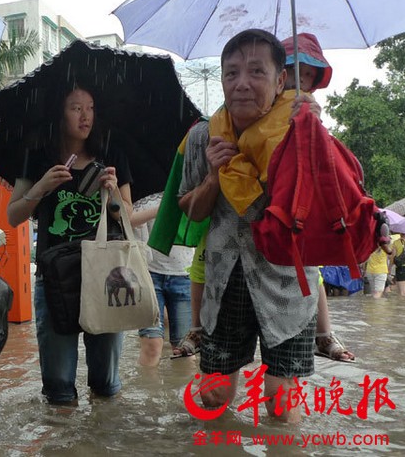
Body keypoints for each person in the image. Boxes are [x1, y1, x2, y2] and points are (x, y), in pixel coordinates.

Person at [178, 29, 321, 423]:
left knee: (280, 401)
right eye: (231, 73)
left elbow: (324, 207)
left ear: (280, 81)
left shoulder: (303, 126)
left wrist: (308, 142)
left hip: (288, 279)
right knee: (214, 395)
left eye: (256, 72)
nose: (242, 83)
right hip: (225, 278)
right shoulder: (202, 136)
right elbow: (190, 212)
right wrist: (212, 175)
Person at [7, 82, 133, 404]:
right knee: (59, 386)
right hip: (54, 277)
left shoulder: (111, 152)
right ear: (59, 113)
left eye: (90, 108)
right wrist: (42, 187)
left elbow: (126, 217)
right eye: (76, 108)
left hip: (103, 275)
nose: (85, 116)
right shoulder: (38, 154)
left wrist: (114, 192)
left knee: (105, 384)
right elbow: (13, 215)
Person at [279, 33, 354, 362]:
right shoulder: (260, 108)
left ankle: (323, 334)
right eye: (295, 71)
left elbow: (326, 161)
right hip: (273, 203)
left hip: (302, 203)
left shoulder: (312, 110)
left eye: (308, 74)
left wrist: (313, 120)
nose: (302, 80)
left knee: (311, 269)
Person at [131, 194, 193, 366]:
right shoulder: (145, 191)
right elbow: (127, 221)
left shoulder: (192, 187)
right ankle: (150, 391)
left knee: (184, 349)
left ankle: (181, 391)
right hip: (149, 275)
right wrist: (161, 210)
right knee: (152, 345)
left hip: (184, 275)